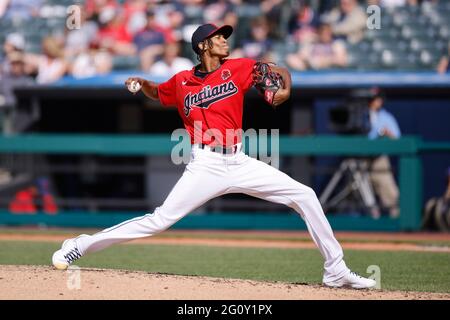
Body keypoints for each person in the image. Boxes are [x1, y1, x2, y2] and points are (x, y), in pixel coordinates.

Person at [52, 23, 376, 289]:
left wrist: (286, 87)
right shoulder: (181, 82)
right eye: (219, 37)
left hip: (239, 160)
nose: (225, 40)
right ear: (203, 45)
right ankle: (80, 245)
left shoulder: (238, 68)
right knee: (159, 220)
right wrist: (144, 83)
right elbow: (158, 92)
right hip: (204, 164)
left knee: (304, 195)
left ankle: (335, 270)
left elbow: (279, 70)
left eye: (225, 36)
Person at [367, 88, 401, 218]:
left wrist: (387, 133)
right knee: (363, 195)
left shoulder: (386, 117)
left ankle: (398, 222)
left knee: (390, 193)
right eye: (373, 98)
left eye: (378, 98)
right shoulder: (361, 114)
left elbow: (397, 139)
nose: (376, 101)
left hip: (378, 159)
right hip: (359, 159)